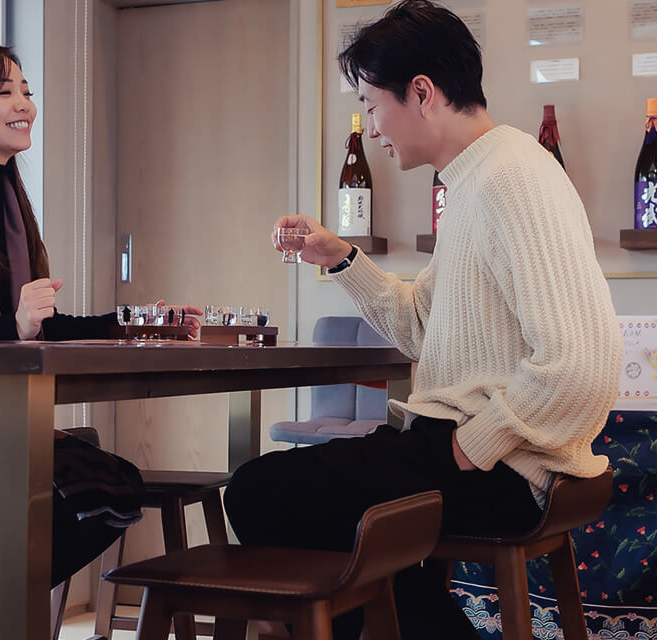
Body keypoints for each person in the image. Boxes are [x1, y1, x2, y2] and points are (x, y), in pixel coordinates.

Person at [223, 2, 622, 639]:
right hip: (466, 448)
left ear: (422, 93)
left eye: (373, 104)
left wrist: (475, 444)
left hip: (502, 465)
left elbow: (585, 365)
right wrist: (340, 257)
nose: (373, 127)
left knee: (260, 492)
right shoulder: (472, 180)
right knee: (320, 514)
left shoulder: (509, 179)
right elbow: (421, 325)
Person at [0, 41, 195, 639]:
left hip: (3, 430)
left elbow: (41, 327)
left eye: (26, 91)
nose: (26, 104)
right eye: (6, 91)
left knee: (116, 488)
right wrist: (11, 327)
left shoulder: (10, 204)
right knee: (97, 491)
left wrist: (140, 321)